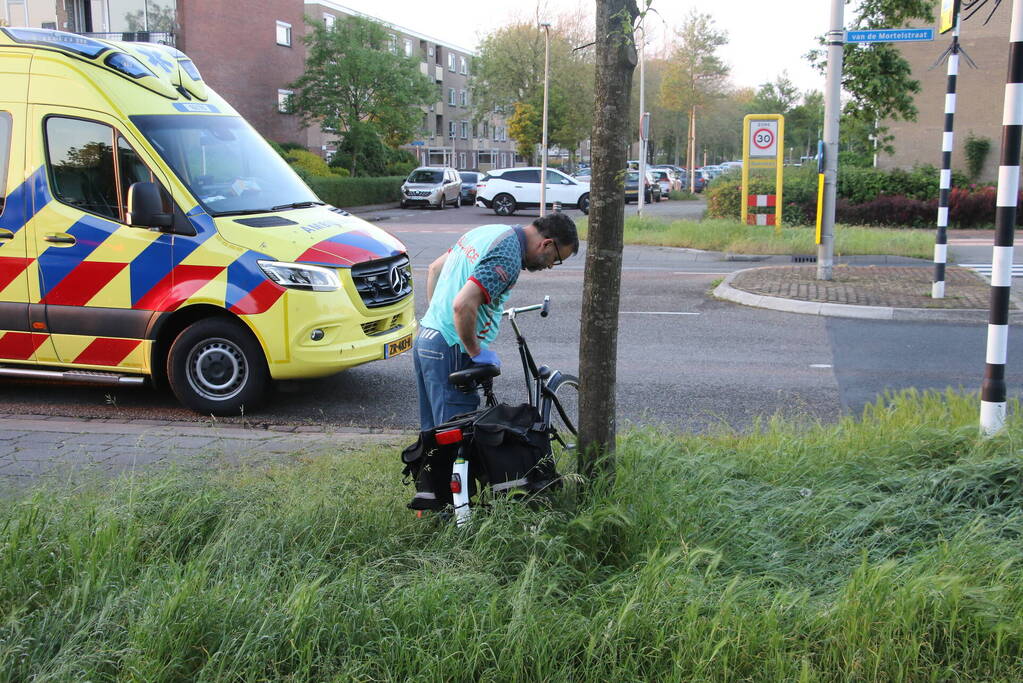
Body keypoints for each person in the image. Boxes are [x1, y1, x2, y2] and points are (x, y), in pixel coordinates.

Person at [414, 213, 579, 430]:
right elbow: (463, 305)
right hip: (452, 349)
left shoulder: (489, 232)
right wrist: (475, 352)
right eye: (555, 259)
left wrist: (439, 319)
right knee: (457, 439)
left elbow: (435, 269)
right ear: (546, 244)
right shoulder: (508, 256)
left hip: (427, 338)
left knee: (434, 438)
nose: (550, 266)